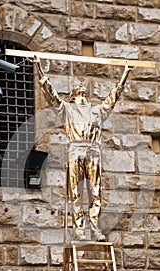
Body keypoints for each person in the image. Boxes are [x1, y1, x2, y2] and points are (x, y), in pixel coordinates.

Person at [33, 57, 132, 241]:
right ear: (73, 97)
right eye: (80, 94)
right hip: (75, 150)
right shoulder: (67, 110)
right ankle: (79, 227)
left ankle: (94, 228)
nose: (84, 96)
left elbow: (113, 97)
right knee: (75, 193)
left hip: (93, 151)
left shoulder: (97, 111)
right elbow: (50, 94)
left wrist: (125, 74)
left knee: (96, 192)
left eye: (85, 94)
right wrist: (37, 66)